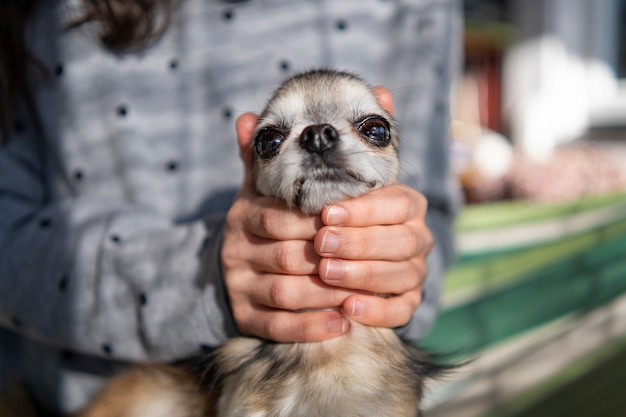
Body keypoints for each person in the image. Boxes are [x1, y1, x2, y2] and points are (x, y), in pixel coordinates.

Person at [0, 0, 461, 415]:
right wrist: (205, 275)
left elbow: (432, 212)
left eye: (372, 129)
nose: (320, 138)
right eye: (273, 140)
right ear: (250, 161)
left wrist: (405, 259)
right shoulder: (45, 17)